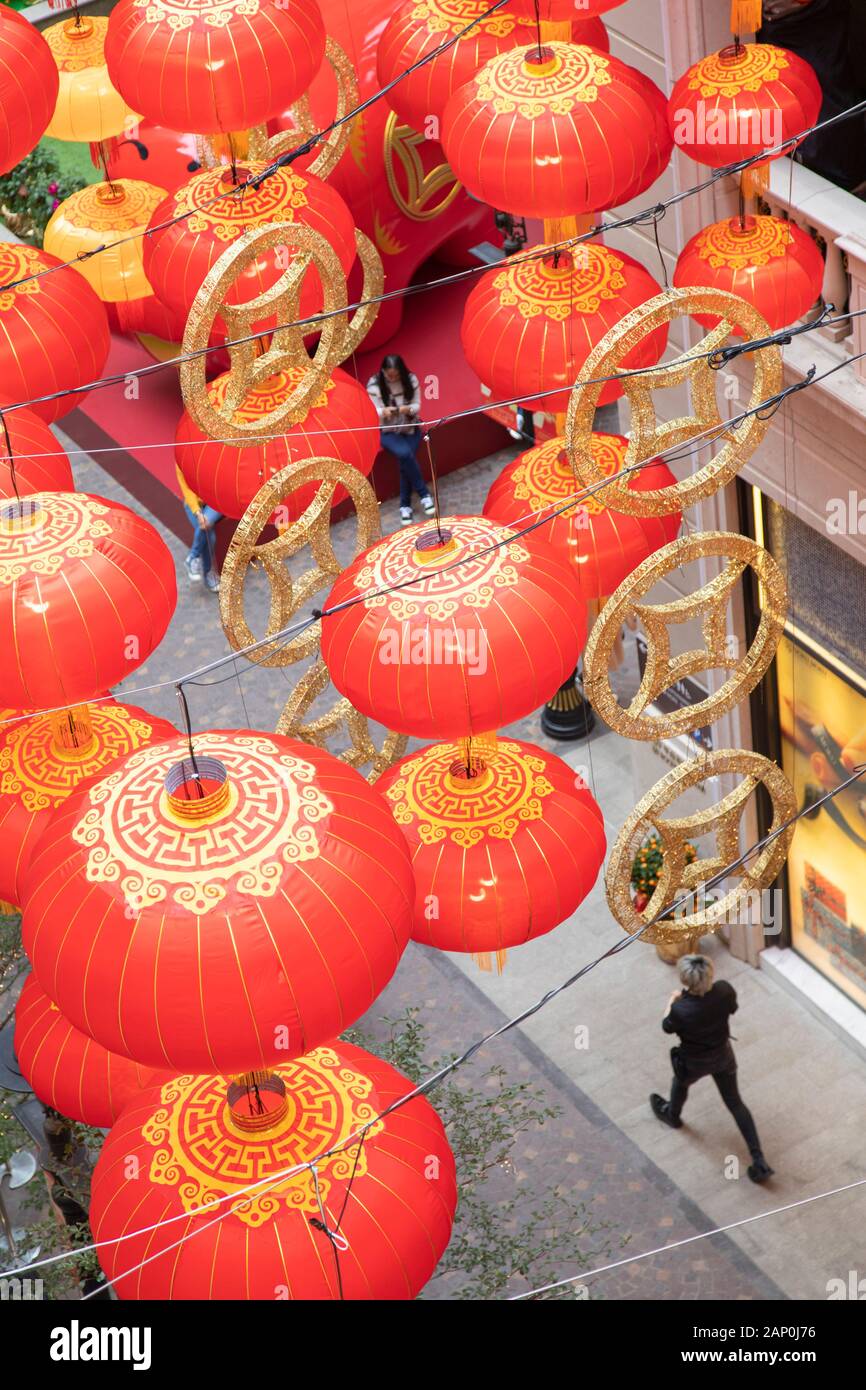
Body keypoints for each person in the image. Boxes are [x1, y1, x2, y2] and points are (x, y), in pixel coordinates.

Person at [650, 954, 774, 1184]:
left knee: (680, 1083)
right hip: (722, 1056)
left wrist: (672, 1001)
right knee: (735, 1103)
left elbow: (666, 1026)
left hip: (693, 1060)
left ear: (686, 980)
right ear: (710, 975)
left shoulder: (681, 1009)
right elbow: (732, 1008)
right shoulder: (724, 991)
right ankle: (759, 1159)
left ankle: (672, 1115)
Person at [367, 354, 435, 525]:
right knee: (405, 454)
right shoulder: (374, 385)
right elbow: (371, 411)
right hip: (388, 432)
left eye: (396, 375)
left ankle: (405, 506)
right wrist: (383, 412)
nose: (392, 378)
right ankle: (424, 494)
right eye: (389, 375)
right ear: (383, 372)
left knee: (405, 461)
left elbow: (417, 405)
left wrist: (408, 409)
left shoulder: (410, 380)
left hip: (410, 429)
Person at [176, 464, 222, 594]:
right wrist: (197, 512)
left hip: (215, 500)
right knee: (209, 537)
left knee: (208, 523)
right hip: (196, 505)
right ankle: (209, 575)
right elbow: (187, 492)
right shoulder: (181, 460)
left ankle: (193, 556)